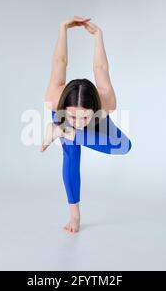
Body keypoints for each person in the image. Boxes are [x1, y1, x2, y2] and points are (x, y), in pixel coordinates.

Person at [41, 16, 132, 233]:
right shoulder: (54, 97)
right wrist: (62, 28)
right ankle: (75, 215)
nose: (79, 123)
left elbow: (100, 67)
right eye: (74, 117)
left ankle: (61, 131)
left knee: (124, 146)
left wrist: (98, 35)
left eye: (84, 118)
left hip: (87, 121)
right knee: (71, 156)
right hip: (63, 119)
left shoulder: (106, 101)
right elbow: (59, 62)